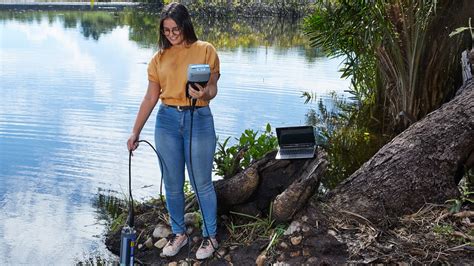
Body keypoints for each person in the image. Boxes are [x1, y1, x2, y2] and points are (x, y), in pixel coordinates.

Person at [126, 2, 220, 260]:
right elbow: (150, 98)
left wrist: (205, 93)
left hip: (198, 119)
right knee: (172, 183)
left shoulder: (205, 50)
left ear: (185, 25)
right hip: (166, 121)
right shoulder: (158, 59)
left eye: (175, 29)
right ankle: (179, 233)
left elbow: (212, 89)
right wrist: (135, 132)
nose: (170, 34)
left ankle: (211, 236)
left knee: (202, 183)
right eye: (166, 30)